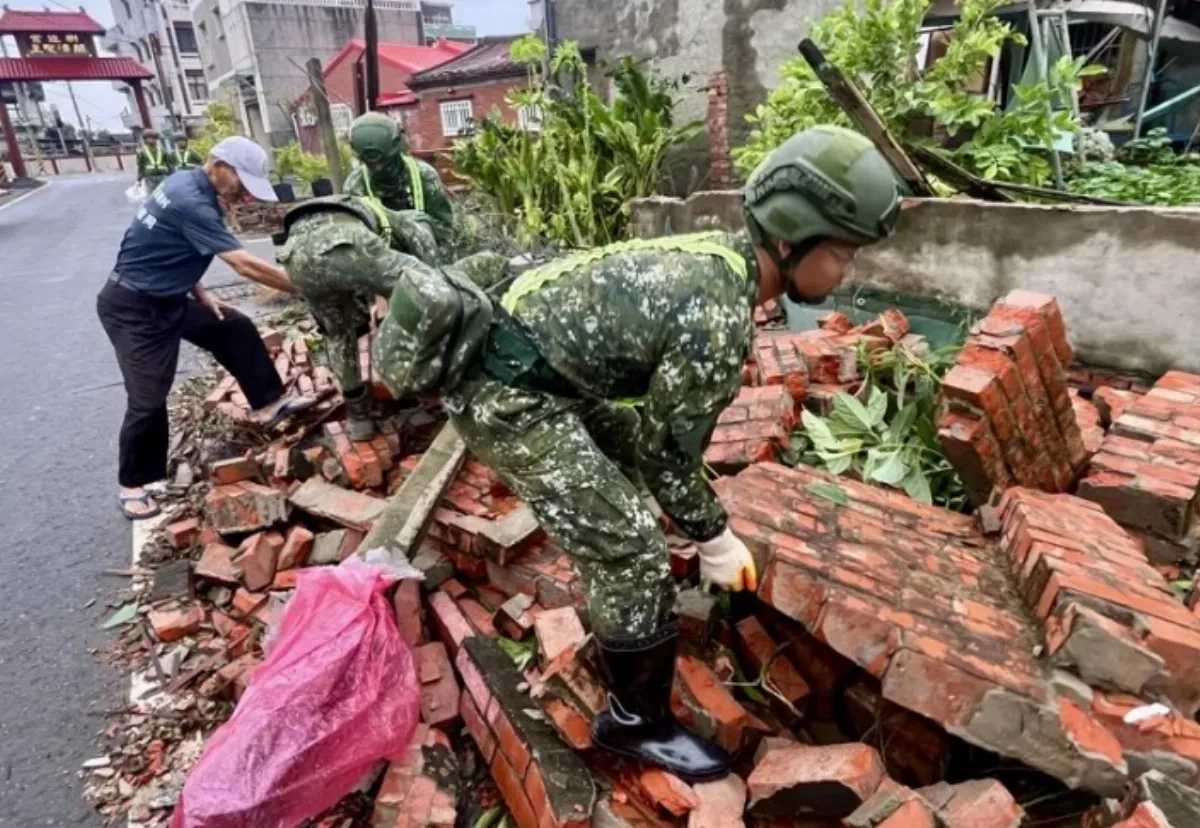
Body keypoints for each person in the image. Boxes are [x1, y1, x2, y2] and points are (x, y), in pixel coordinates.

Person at [370, 125, 902, 782]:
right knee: (630, 543)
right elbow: (669, 456)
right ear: (792, 241)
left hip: (540, 366)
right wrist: (713, 537)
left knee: (625, 480)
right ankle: (634, 719)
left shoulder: (720, 259)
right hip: (504, 391)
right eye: (844, 253)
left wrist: (701, 522)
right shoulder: (717, 317)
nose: (849, 269)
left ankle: (628, 622)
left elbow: (652, 445)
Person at [99, 136, 314, 520]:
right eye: (242, 185)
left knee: (233, 326)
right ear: (221, 167)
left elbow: (159, 243)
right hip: (134, 307)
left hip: (166, 296)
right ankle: (132, 483)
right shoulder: (193, 202)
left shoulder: (182, 182)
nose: (245, 196)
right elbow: (246, 266)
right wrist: (309, 287)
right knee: (148, 398)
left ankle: (267, 403)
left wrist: (198, 291)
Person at [277, 194, 505, 440]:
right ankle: (436, 383)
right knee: (440, 291)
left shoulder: (370, 215)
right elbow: (437, 285)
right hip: (344, 243)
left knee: (337, 333)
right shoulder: (414, 226)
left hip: (295, 256)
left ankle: (358, 418)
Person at [343, 112, 468, 254]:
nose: (378, 168)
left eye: (384, 162)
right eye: (371, 164)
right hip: (384, 257)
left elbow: (446, 230)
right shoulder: (355, 185)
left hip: (426, 254)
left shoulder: (424, 175)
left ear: (396, 147)